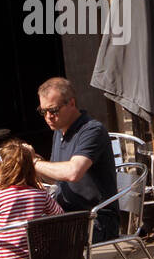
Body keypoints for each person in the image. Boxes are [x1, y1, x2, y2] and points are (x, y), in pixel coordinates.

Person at [31, 77, 118, 242]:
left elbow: (73, 172)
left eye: (53, 110)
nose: (48, 117)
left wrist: (34, 163)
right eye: (43, 111)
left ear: (71, 103)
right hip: (66, 215)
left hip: (95, 220)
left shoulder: (92, 130)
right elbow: (54, 176)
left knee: (29, 238)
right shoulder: (59, 131)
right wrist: (28, 163)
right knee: (17, 229)